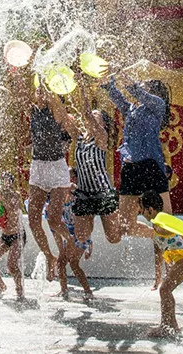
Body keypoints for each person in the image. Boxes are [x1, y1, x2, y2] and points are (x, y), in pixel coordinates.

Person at [101, 71, 171, 288]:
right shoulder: (132, 109)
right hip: (130, 168)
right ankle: (156, 234)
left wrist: (124, 77)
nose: (141, 86)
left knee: (167, 221)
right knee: (126, 226)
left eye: (144, 85)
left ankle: (165, 274)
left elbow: (136, 91)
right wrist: (109, 83)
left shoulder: (158, 105)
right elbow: (118, 97)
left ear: (153, 90)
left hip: (151, 167)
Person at [62, 83, 122, 298]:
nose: (92, 119)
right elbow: (66, 118)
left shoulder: (102, 138)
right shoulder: (78, 139)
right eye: (92, 117)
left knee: (114, 238)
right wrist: (55, 90)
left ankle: (131, 225)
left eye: (98, 117)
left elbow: (85, 113)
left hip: (104, 193)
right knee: (79, 238)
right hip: (84, 195)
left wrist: (80, 85)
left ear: (103, 124)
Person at [26, 84, 79, 282]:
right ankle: (49, 254)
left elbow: (62, 114)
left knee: (53, 219)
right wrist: (14, 72)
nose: (39, 92)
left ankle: (71, 241)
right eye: (37, 90)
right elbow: (22, 95)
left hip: (57, 168)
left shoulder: (55, 110)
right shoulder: (32, 110)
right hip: (38, 166)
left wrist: (50, 91)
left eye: (43, 91)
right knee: (33, 220)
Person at [138, 190, 183, 337]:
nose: (140, 212)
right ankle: (171, 327)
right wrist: (158, 277)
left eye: (142, 209)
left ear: (150, 209)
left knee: (165, 290)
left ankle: (168, 327)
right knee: (164, 290)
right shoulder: (155, 227)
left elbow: (179, 227)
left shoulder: (161, 219)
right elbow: (159, 255)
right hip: (177, 260)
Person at [0, 172, 25, 300]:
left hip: (17, 236)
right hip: (5, 237)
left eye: (8, 180)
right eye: (4, 180)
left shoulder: (15, 196)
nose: (6, 183)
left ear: (12, 183)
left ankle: (20, 291)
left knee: (12, 265)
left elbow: (12, 209)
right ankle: (2, 286)